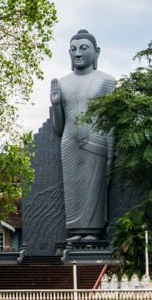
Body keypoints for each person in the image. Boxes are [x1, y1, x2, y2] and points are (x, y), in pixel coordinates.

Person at [49, 29, 116, 241]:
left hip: (96, 142)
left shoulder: (106, 81)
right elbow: (58, 128)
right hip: (69, 142)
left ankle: (93, 232)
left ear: (96, 52)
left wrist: (110, 156)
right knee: (73, 189)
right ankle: (76, 231)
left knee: (92, 188)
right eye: (73, 49)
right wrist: (57, 104)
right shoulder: (63, 82)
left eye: (83, 48)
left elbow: (111, 122)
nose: (77, 53)